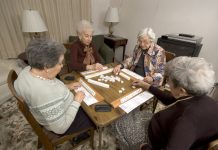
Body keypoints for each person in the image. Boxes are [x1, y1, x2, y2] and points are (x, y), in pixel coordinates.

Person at [133, 56, 218, 149]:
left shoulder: (185, 122)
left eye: (169, 82)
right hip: (162, 128)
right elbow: (171, 100)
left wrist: (145, 147)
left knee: (119, 124)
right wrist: (147, 86)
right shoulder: (199, 96)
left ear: (181, 90)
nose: (168, 84)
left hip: (154, 141)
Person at [14, 38, 94, 135]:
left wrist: (66, 87)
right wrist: (76, 101)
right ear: (46, 67)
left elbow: (50, 86)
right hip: (66, 123)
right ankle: (81, 135)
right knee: (94, 114)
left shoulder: (26, 71)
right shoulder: (45, 93)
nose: (62, 66)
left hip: (49, 113)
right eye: (60, 63)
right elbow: (61, 128)